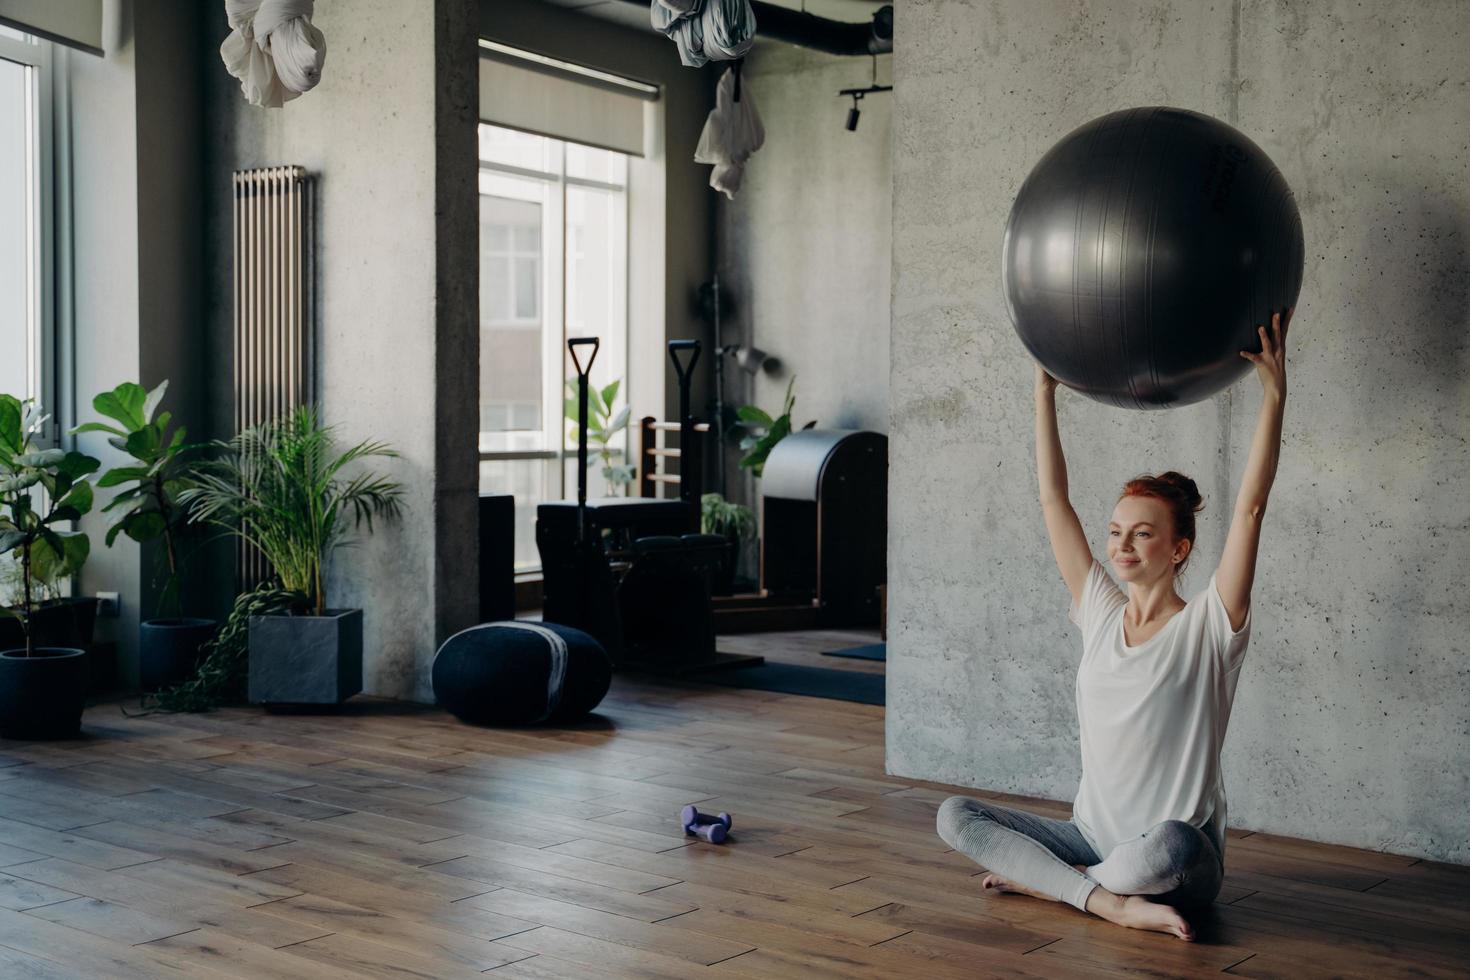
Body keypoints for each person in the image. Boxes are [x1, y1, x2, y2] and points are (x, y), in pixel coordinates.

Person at [936, 310, 1292, 941]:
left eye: (1143, 533)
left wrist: (1274, 397)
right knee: (955, 815)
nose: (1121, 546)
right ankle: (1104, 897)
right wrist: (1044, 394)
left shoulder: (1210, 626)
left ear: (1179, 549)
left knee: (1175, 847)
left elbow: (1250, 510)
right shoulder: (1099, 609)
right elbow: (1053, 500)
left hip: (1175, 856)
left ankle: (1062, 882)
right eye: (1115, 532)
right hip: (1092, 835)